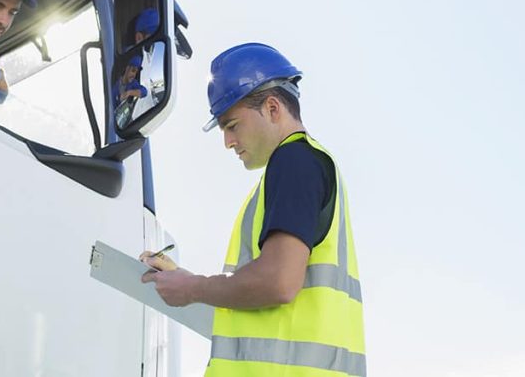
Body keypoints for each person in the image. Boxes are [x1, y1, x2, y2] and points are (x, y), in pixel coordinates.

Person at [140, 43, 366, 376]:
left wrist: (192, 287)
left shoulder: (294, 161)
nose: (228, 142)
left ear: (273, 109)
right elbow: (264, 305)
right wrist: (186, 282)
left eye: (232, 126)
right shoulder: (305, 164)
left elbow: (277, 281)